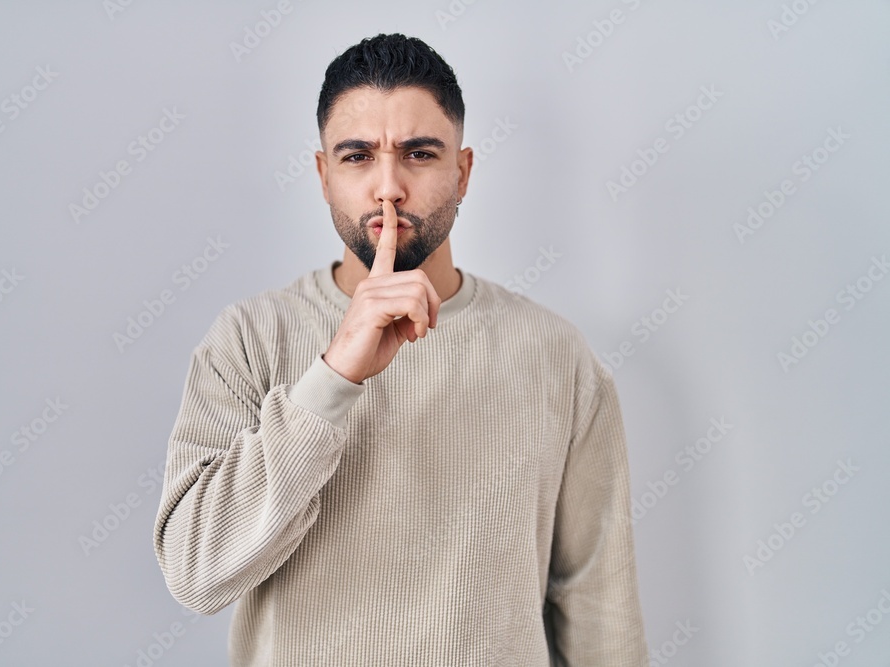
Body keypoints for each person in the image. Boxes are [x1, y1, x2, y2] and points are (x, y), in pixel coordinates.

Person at [153, 33, 648, 666]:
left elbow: (599, 607)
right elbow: (197, 574)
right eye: (357, 156)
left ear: (463, 172)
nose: (388, 188)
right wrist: (333, 378)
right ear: (323, 174)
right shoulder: (248, 339)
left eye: (419, 154)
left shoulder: (554, 353)